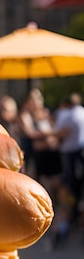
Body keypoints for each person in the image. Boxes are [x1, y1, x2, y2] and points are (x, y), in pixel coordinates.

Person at [18, 88, 62, 191]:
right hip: (32, 153)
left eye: (40, 97)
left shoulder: (44, 113)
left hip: (46, 152)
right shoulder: (25, 114)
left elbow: (53, 127)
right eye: (37, 98)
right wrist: (47, 134)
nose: (40, 100)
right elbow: (29, 133)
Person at [54, 92, 84, 222]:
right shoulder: (82, 112)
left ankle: (72, 212)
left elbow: (61, 134)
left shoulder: (69, 116)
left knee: (70, 183)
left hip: (69, 153)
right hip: (79, 151)